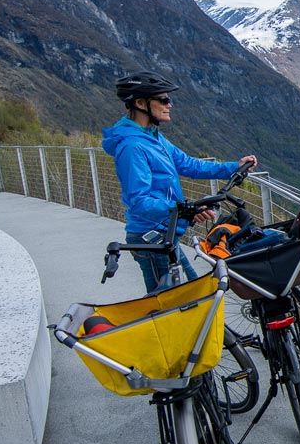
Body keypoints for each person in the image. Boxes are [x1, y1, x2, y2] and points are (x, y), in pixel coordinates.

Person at [102, 70, 256, 293]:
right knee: (169, 306)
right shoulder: (133, 147)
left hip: (166, 233)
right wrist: (183, 209)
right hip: (151, 239)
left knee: (192, 294)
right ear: (141, 103)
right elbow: (139, 201)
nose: (169, 104)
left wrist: (233, 167)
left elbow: (189, 165)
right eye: (164, 100)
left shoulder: (153, 137)